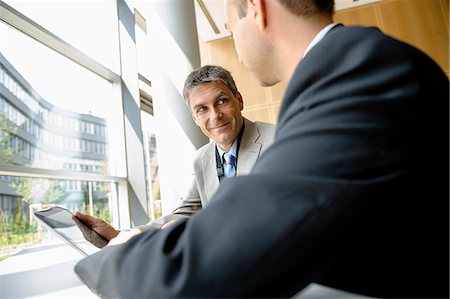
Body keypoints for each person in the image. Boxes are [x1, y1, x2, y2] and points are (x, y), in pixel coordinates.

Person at [75, 0, 449, 298]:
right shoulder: (351, 67)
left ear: (256, 8)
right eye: (200, 109)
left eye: (230, 28)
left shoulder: (357, 74)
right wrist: (129, 235)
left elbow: (243, 243)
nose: (235, 44)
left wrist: (119, 259)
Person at [74, 65, 275, 247]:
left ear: (239, 100)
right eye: (202, 109)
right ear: (195, 118)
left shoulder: (277, 139)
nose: (214, 115)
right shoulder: (202, 158)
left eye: (221, 101)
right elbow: (182, 214)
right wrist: (122, 235)